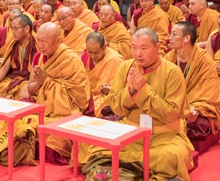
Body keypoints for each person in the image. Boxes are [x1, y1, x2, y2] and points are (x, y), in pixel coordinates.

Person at [80, 28, 194, 181]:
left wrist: (142, 91)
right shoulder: (126, 67)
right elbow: (115, 106)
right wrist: (130, 92)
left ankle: (122, 171)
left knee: (172, 156)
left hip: (163, 134)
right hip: (130, 130)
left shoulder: (172, 72)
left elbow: (171, 113)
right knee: (89, 144)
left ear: (158, 48)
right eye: (134, 48)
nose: (137, 54)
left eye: (144, 48)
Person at [25, 21, 90, 163]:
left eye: (45, 41)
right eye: (39, 40)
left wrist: (47, 83)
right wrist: (41, 83)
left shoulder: (70, 59)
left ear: (58, 41)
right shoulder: (41, 57)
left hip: (65, 112)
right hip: (44, 108)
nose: (41, 45)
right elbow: (30, 88)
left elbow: (80, 99)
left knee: (57, 137)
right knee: (21, 123)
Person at [165, 22, 220, 142]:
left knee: (198, 124)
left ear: (186, 38)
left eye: (173, 34)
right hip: (173, 105)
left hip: (196, 105)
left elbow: (209, 92)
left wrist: (194, 109)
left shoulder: (204, 60)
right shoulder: (168, 58)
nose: (169, 38)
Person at [0, 15, 38, 99]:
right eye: (12, 28)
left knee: (25, 96)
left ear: (27, 29)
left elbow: (38, 71)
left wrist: (29, 86)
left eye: (16, 28)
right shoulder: (14, 44)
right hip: (14, 80)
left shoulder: (37, 44)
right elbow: (5, 67)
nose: (13, 32)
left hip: (29, 82)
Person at [82, 32, 124, 116]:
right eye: (90, 52)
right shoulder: (84, 57)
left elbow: (121, 90)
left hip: (104, 97)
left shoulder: (116, 61)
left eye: (96, 53)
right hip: (86, 95)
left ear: (104, 47)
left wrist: (110, 90)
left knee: (101, 106)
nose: (93, 56)